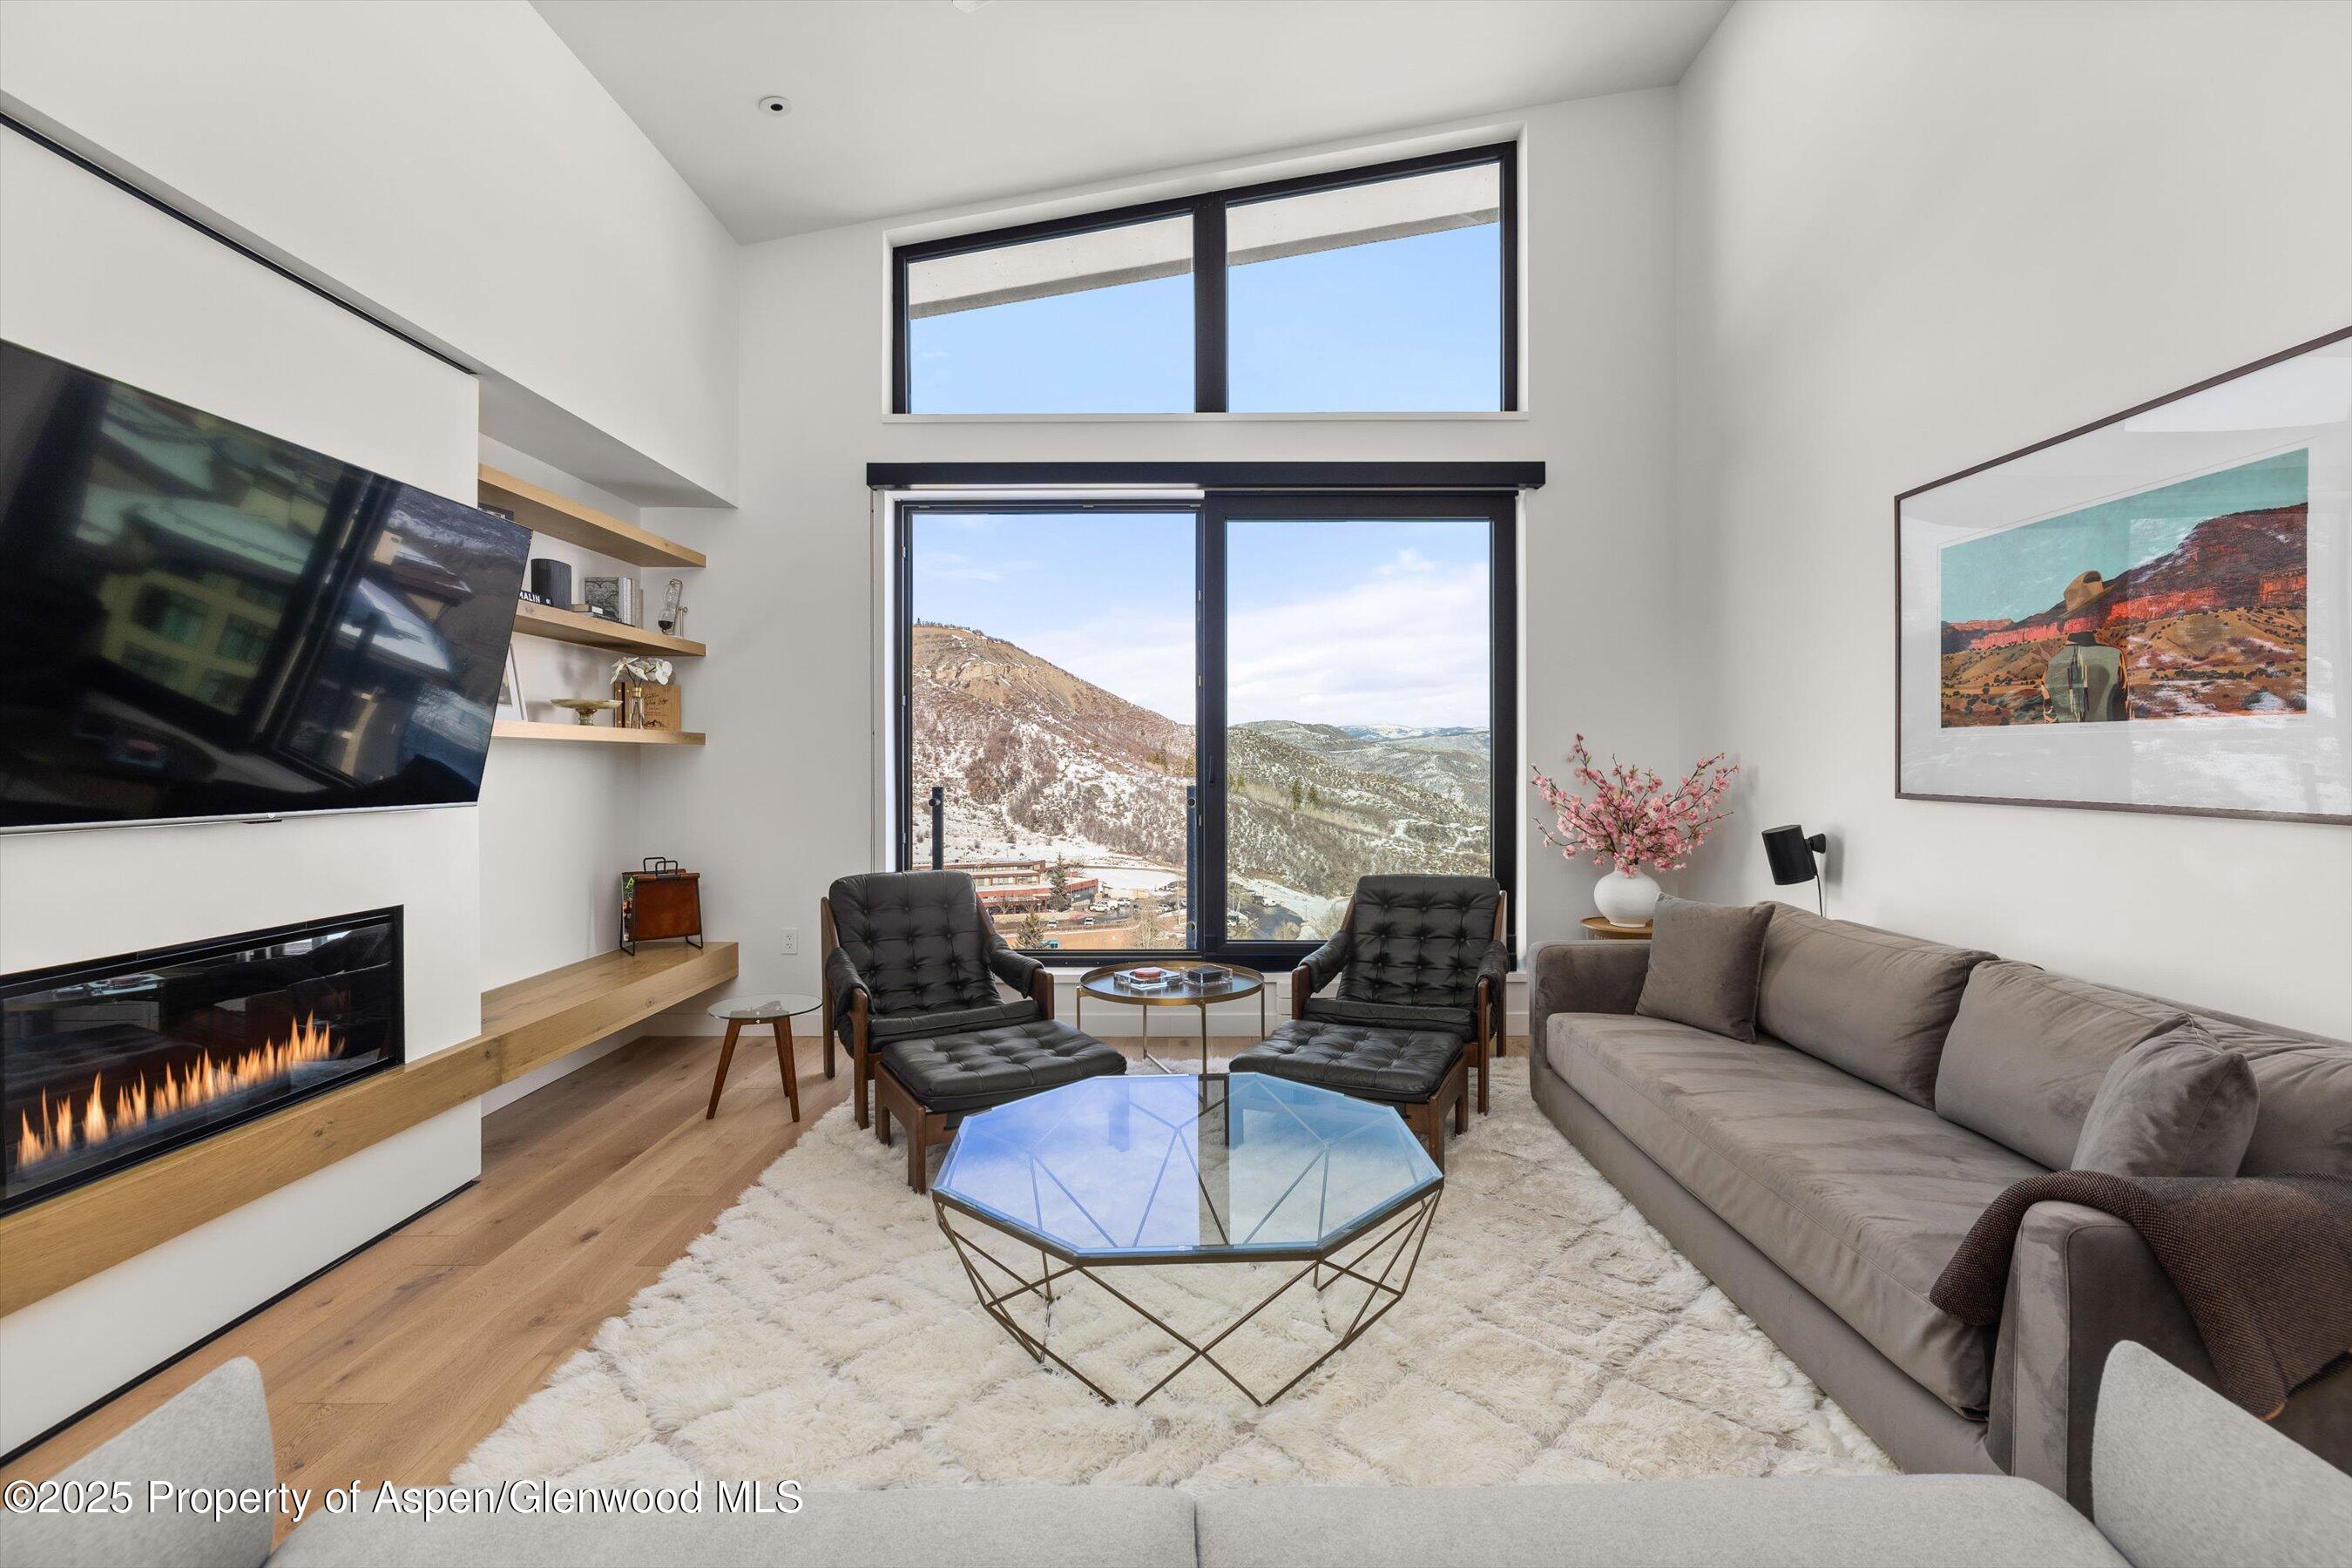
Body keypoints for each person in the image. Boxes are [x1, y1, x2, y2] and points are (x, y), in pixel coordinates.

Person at [2043, 571, 2127, 722]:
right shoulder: (2114, 658)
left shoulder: (2051, 666)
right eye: (2102, 605)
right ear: (2091, 611)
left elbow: (2050, 719)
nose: (2109, 611)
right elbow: (2123, 715)